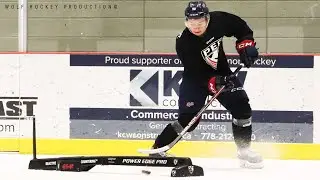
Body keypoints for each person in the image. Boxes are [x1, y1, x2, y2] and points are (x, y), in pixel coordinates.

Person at [149, 0, 263, 169]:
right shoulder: (184, 42)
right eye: (191, 22)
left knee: (242, 108)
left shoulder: (220, 20)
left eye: (200, 22)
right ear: (186, 21)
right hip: (195, 80)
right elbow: (196, 73)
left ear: (207, 19)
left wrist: (246, 47)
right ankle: (157, 150)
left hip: (223, 73)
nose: (195, 26)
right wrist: (214, 83)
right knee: (188, 119)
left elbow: (242, 29)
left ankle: (244, 151)